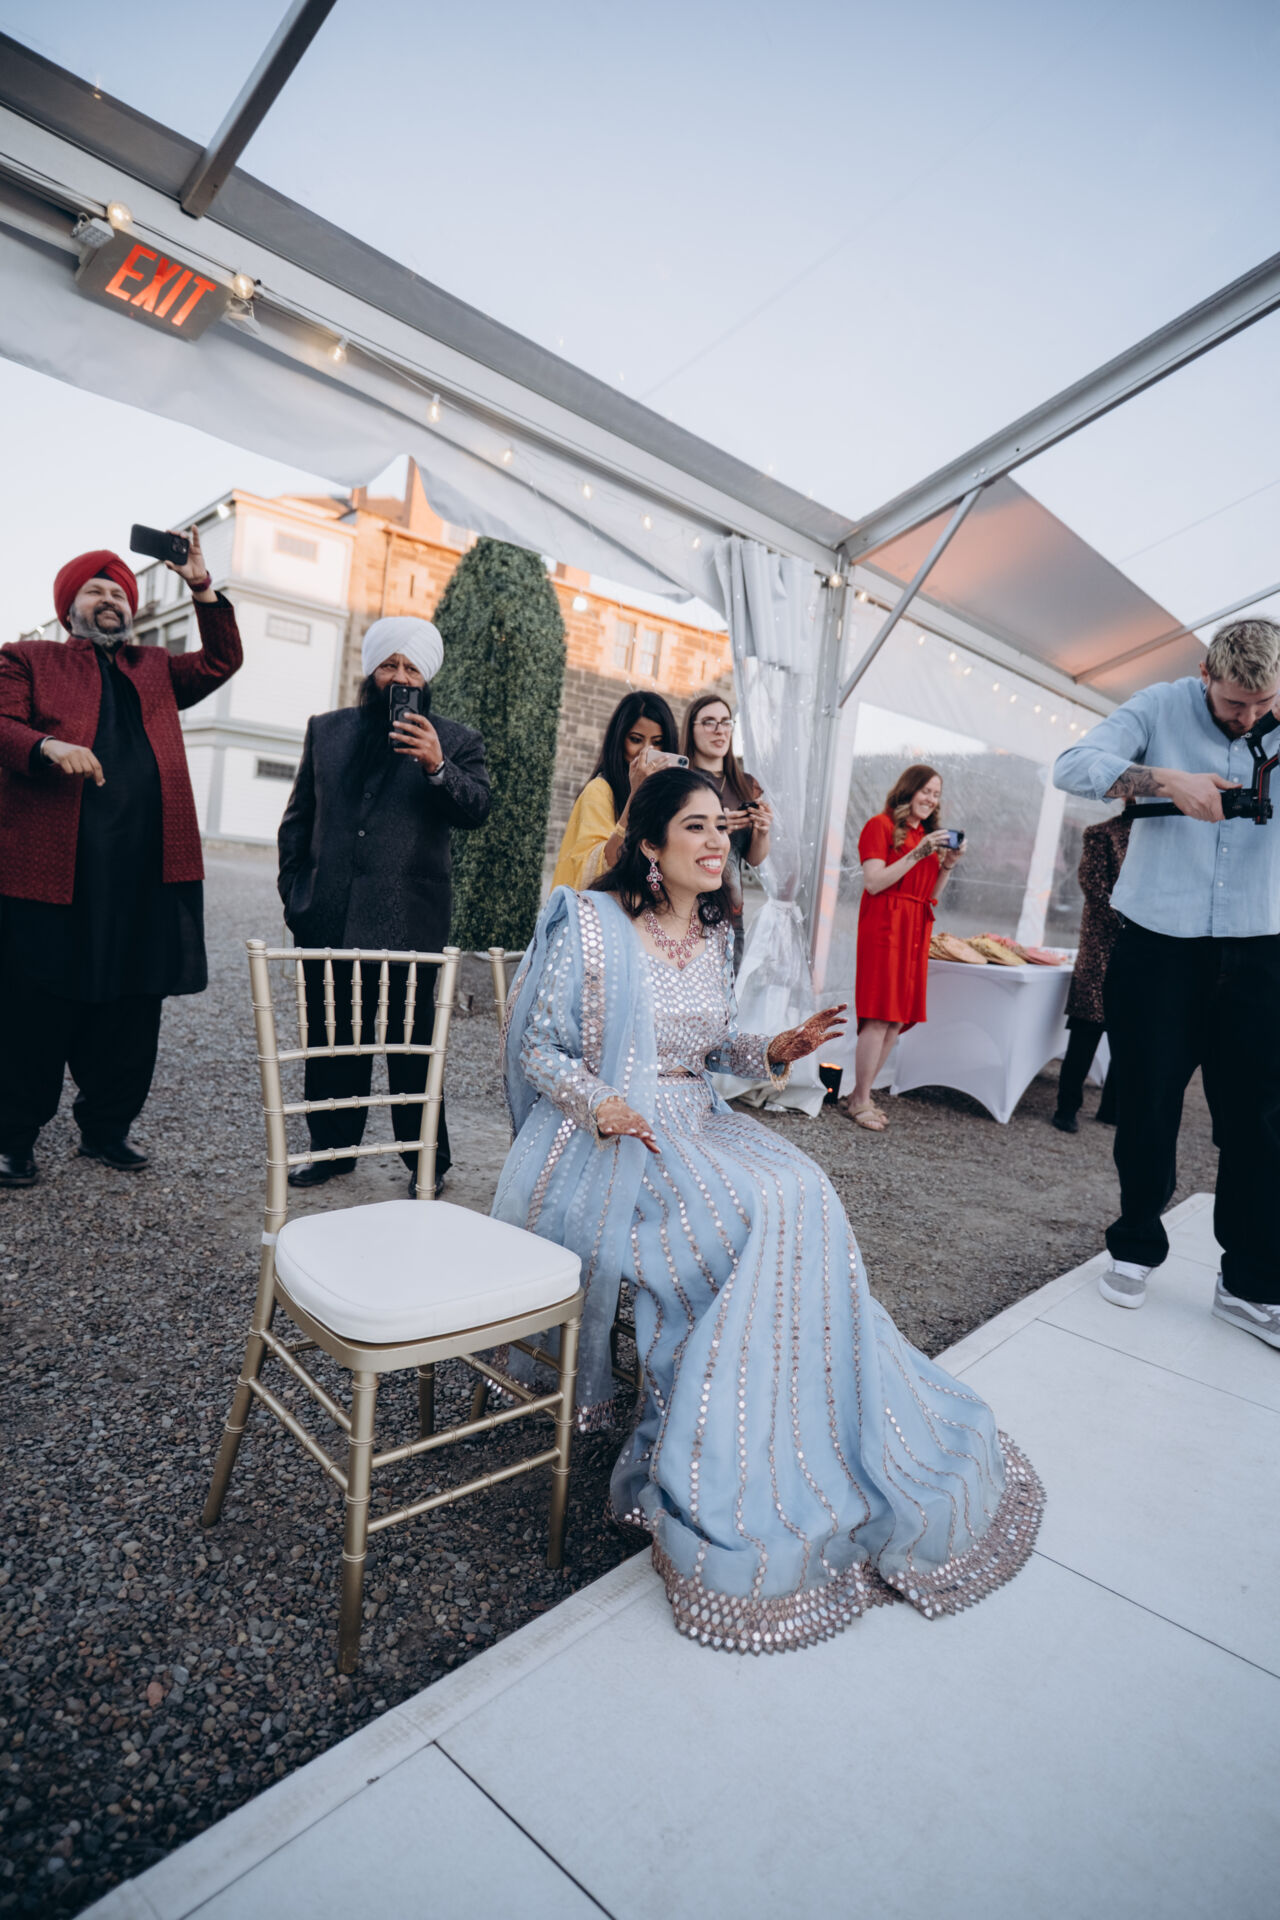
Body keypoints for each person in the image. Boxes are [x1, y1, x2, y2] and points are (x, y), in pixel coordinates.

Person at [494, 768, 1042, 1651]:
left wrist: (773, 1048)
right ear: (649, 844)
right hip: (609, 1138)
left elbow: (711, 1051)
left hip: (695, 1120)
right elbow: (537, 1047)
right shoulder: (589, 925)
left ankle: (783, 1422)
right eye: (698, 828)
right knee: (747, 1216)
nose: (719, 842)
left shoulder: (715, 933)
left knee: (802, 1190)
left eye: (724, 826)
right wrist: (601, 1103)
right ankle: (717, 1437)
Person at [1054, 618, 1280, 1346]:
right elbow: (1072, 766)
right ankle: (1135, 1247)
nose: (1249, 717)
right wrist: (1164, 779)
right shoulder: (1158, 705)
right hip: (1157, 946)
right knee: (1147, 1104)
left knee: (1261, 1124)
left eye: (1264, 703)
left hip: (1263, 949)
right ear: (1206, 675)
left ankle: (1249, 1283)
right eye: (1235, 702)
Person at [0, 534, 242, 1187]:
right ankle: (13, 1138)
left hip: (146, 875)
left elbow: (222, 660)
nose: (110, 599)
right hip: (52, 871)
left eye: (119, 592)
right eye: (95, 590)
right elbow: (2, 724)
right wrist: (48, 747)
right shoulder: (27, 657)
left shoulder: (156, 667)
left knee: (133, 1008)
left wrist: (200, 585)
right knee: (33, 1007)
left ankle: (106, 1129)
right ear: (67, 608)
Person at [277, 615, 490, 1195]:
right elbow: (298, 820)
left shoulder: (456, 740)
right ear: (371, 670)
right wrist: (298, 895)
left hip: (410, 924)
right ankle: (332, 1150)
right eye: (389, 665)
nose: (400, 677)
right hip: (330, 920)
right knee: (332, 1043)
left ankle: (426, 1160)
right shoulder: (327, 730)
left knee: (413, 1048)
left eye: (411, 667)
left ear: (427, 677)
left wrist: (437, 766)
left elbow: (477, 810)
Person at [842, 763, 963, 1131]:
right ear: (908, 790)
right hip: (885, 927)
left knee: (896, 1020)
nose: (931, 799)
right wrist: (919, 853)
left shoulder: (925, 835)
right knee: (879, 1015)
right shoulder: (879, 826)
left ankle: (859, 1094)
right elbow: (874, 882)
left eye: (936, 794)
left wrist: (947, 866)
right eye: (926, 790)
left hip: (915, 926)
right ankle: (861, 1099)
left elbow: (929, 895)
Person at [681, 690, 773, 970]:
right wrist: (716, 826)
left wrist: (762, 831)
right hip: (683, 912)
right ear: (691, 729)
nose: (719, 730)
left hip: (731, 917)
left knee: (725, 995)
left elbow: (753, 858)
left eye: (726, 722)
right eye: (709, 722)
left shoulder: (746, 785)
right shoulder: (679, 779)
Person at [551, 690, 679, 889]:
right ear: (619, 740)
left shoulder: (668, 795)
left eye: (657, 742)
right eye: (636, 739)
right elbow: (601, 864)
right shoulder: (599, 791)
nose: (647, 751)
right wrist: (636, 794)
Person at [1052, 813, 1131, 1133]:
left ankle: (1112, 1108)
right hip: (1101, 950)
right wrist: (1138, 922)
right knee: (1087, 1029)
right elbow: (1096, 891)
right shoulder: (1101, 834)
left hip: (1138, 951)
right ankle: (1066, 1107)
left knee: (1128, 1033)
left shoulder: (1161, 841)